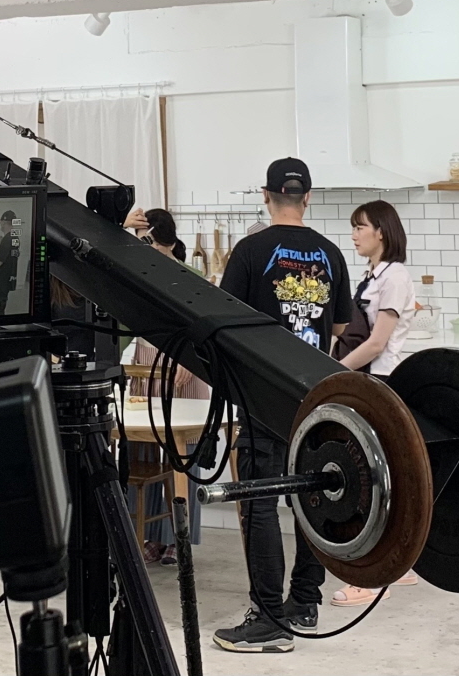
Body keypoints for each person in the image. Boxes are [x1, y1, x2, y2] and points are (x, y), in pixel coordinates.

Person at [212, 159, 351, 654]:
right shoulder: (332, 254)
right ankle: (304, 604)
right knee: (314, 502)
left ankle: (269, 619)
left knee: (260, 503)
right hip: (315, 396)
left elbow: (225, 321)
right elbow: (339, 329)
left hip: (262, 397)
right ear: (308, 197)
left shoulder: (250, 251)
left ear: (265, 195)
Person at [329, 199, 420, 607]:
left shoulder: (395, 276)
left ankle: (369, 577)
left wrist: (334, 372)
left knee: (368, 478)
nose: (353, 235)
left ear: (381, 232)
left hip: (378, 381)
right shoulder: (372, 275)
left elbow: (378, 342)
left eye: (359, 227)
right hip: (365, 379)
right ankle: (398, 566)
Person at [126, 210, 207, 565]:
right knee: (143, 453)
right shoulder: (136, 278)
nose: (146, 253)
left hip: (186, 367)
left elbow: (206, 330)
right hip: (147, 363)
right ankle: (146, 535)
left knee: (182, 456)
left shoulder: (192, 277)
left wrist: (192, 362)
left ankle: (178, 539)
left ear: (169, 244)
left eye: (151, 245)